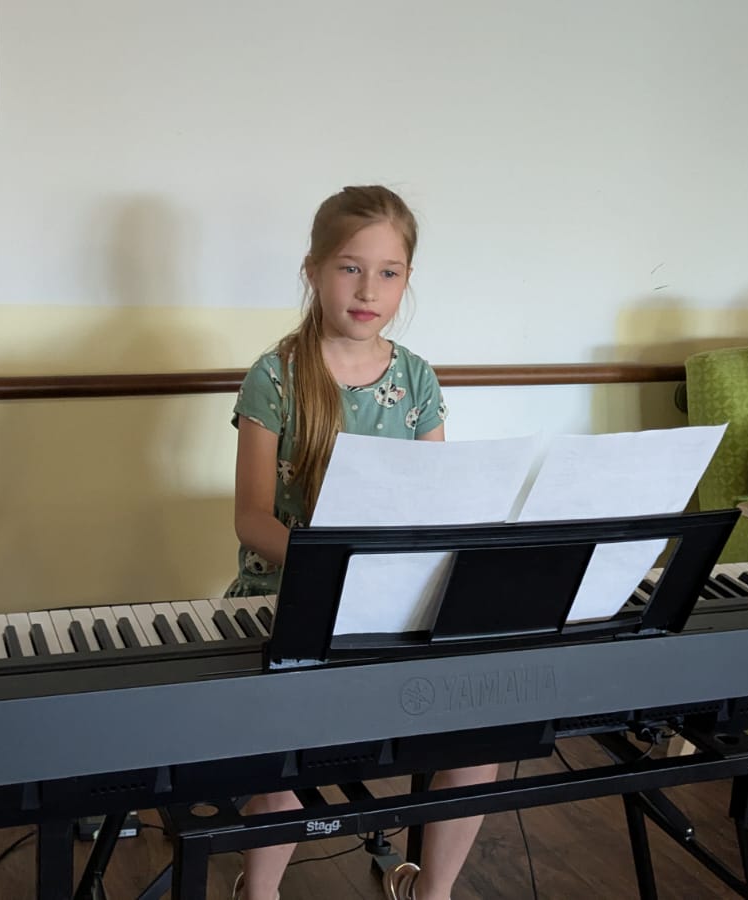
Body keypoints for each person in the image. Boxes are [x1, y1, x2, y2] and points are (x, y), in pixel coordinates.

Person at [226, 186, 479, 900]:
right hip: (291, 596)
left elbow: (433, 508)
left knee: (481, 739)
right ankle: (260, 891)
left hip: (389, 607)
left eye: (389, 272)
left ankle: (432, 891)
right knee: (285, 758)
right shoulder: (274, 377)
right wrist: (331, 572)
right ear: (313, 270)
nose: (369, 290)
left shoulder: (417, 378)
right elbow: (251, 519)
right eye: (350, 268)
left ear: (406, 279)